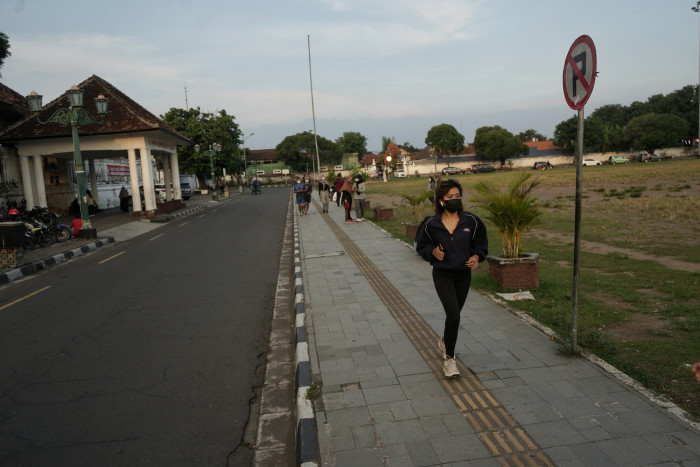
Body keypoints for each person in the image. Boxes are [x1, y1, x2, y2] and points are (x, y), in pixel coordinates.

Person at [415, 179, 488, 378]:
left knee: (453, 317)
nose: (455, 200)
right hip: (443, 274)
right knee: (454, 316)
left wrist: (476, 256)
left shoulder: (471, 221)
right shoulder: (432, 224)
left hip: (464, 275)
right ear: (441, 201)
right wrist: (432, 252)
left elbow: (481, 243)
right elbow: (420, 246)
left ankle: (446, 340)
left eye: (458, 196)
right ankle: (449, 360)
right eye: (450, 197)